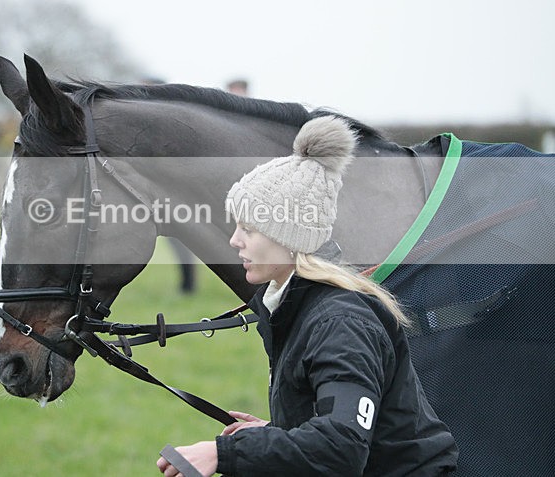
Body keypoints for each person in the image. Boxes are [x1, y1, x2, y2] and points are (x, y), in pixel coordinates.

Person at [157, 116, 458, 476]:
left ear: (289, 238)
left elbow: (341, 447)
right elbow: (342, 424)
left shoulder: (341, 323)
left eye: (249, 229)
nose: (235, 241)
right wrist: (279, 432)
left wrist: (225, 453)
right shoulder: (298, 306)